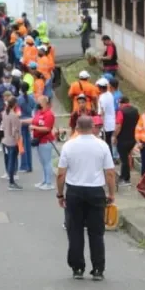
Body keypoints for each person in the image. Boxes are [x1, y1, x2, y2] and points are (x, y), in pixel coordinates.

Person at [57, 115, 116, 280]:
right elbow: (110, 173)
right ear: (92, 127)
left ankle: (77, 268)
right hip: (96, 191)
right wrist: (111, 194)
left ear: (76, 127)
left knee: (74, 231)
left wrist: (60, 194)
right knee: (96, 232)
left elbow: (61, 174)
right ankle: (98, 269)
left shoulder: (69, 146)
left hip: (74, 191)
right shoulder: (102, 146)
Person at [24, 95, 56, 190]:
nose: (38, 104)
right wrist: (22, 121)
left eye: (40, 102)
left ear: (45, 103)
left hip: (46, 141)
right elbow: (33, 120)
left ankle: (49, 182)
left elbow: (47, 128)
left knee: (47, 162)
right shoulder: (39, 113)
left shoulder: (49, 114)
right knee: (42, 162)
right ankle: (44, 180)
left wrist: (35, 128)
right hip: (38, 141)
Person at [112, 96, 139, 187]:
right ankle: (125, 176)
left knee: (124, 160)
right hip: (132, 139)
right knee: (127, 157)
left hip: (122, 139)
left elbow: (118, 126)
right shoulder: (135, 111)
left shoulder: (120, 112)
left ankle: (126, 179)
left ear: (121, 103)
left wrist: (114, 136)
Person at [1, 96, 23, 191]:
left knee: (8, 160)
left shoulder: (4, 113)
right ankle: (11, 181)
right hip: (12, 142)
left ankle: (10, 179)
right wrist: (18, 141)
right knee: (12, 161)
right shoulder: (14, 116)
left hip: (5, 140)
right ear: (15, 104)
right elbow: (15, 131)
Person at [18, 83, 36, 173]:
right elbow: (34, 108)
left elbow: (17, 111)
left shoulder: (19, 100)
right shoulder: (31, 98)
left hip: (21, 122)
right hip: (29, 121)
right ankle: (29, 165)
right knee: (28, 145)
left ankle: (24, 165)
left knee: (22, 145)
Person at [96, 78, 116, 146]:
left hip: (106, 125)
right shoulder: (110, 95)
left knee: (106, 144)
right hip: (112, 123)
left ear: (100, 88)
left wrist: (101, 124)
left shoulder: (102, 97)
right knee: (109, 143)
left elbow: (102, 112)